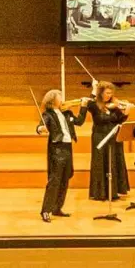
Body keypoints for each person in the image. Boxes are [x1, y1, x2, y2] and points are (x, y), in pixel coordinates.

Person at [38, 89, 86, 221]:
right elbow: (41, 125)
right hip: (57, 149)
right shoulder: (48, 114)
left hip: (68, 148)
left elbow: (80, 121)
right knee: (54, 180)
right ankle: (45, 210)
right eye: (60, 96)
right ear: (52, 100)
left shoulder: (66, 113)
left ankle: (57, 208)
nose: (62, 99)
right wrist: (41, 129)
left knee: (66, 178)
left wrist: (84, 106)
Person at [84, 81, 134, 202]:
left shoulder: (113, 105)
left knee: (114, 161)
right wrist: (93, 89)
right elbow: (100, 118)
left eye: (111, 93)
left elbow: (119, 120)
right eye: (106, 93)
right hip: (100, 137)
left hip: (113, 136)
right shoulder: (94, 105)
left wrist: (126, 112)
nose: (109, 95)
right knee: (100, 162)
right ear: (100, 93)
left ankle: (113, 191)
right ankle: (100, 192)